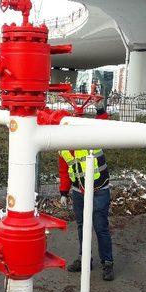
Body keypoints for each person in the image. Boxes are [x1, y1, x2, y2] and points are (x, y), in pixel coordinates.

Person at [58, 96, 115, 281]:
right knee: (83, 226)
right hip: (78, 191)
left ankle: (107, 263)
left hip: (99, 189)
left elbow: (104, 128)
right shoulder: (63, 147)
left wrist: (100, 109)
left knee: (100, 226)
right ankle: (85, 260)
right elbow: (64, 170)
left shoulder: (91, 137)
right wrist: (63, 192)